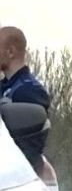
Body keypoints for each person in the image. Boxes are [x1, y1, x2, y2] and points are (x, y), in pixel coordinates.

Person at [0, 27, 52, 175]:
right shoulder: (6, 86)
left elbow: (29, 146)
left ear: (10, 52)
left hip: (17, 177)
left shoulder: (30, 90)